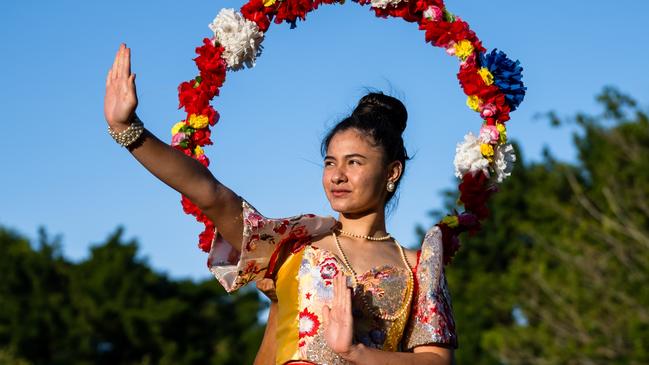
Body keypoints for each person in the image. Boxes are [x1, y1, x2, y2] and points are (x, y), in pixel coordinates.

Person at [105, 43, 457, 365]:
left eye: (354, 162)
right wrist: (130, 131)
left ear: (391, 172)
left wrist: (357, 353)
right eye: (330, 162)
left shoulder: (416, 265)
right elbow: (211, 195)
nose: (337, 176)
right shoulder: (293, 246)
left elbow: (436, 361)